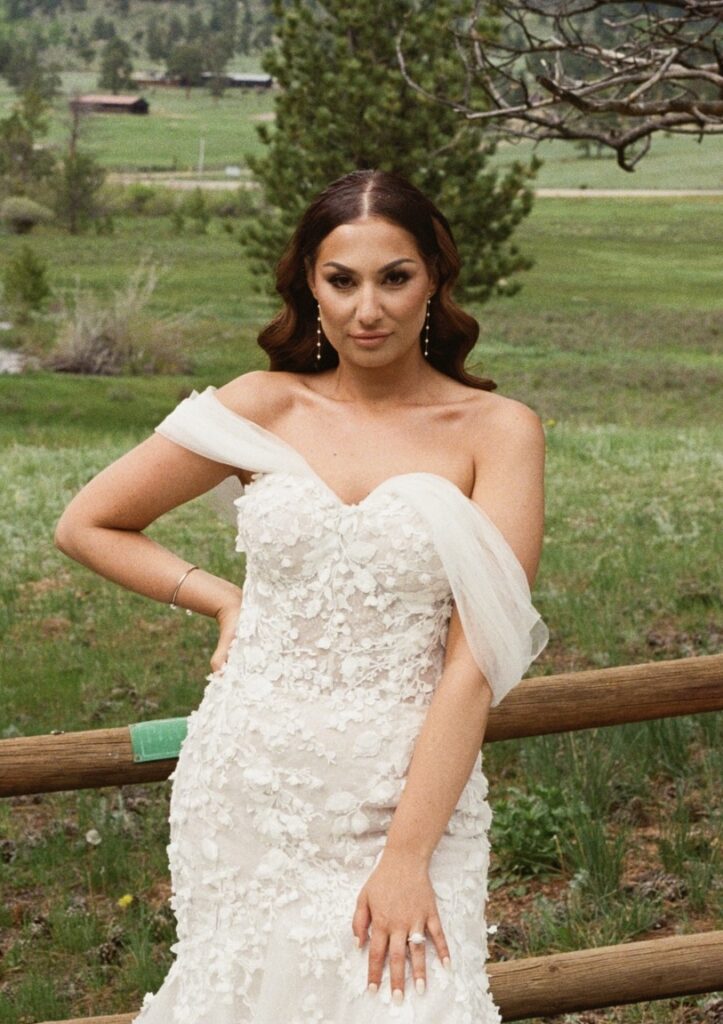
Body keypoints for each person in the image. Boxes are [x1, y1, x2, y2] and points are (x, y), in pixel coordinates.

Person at [55, 168, 549, 1023]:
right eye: (341, 280)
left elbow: (474, 669)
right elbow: (89, 523)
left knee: (413, 1001)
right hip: (250, 779)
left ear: (433, 279)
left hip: (405, 792)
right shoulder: (260, 406)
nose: (369, 309)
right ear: (307, 285)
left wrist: (404, 857)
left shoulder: (497, 431)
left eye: (394, 278)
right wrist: (222, 601)